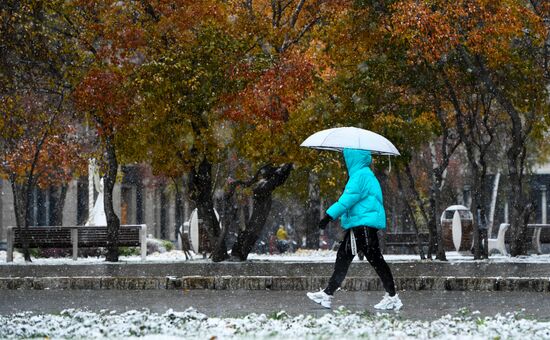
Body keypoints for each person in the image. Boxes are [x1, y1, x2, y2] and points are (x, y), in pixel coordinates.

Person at [306, 148, 402, 310]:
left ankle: (392, 297)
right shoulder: (364, 174)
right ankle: (327, 294)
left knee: (376, 260)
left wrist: (328, 217)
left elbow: (347, 200)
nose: (345, 161)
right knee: (343, 258)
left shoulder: (360, 176)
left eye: (347, 157)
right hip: (359, 225)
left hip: (362, 226)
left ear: (353, 158)